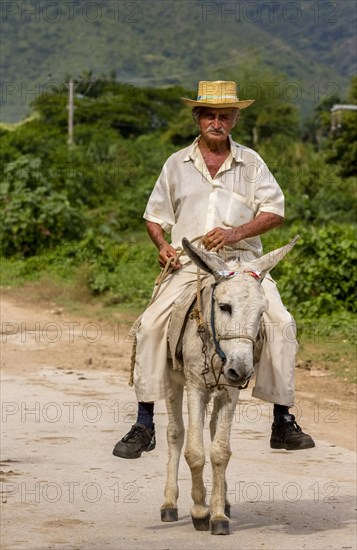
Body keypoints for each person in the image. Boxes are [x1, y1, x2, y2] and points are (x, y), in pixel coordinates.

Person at [113, 80, 315, 459]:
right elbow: (155, 217)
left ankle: (282, 420)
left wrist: (235, 231)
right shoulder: (176, 163)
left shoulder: (252, 163)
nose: (217, 122)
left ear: (235, 119)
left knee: (281, 323)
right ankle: (144, 422)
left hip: (243, 264)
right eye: (210, 115)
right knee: (151, 325)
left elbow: (275, 212)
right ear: (197, 117)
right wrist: (162, 248)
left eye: (225, 115)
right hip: (192, 263)